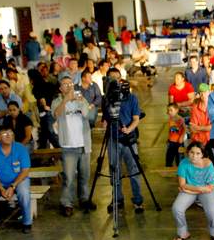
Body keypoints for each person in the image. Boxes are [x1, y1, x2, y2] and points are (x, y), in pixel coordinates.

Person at [52, 76, 94, 217]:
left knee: (84, 176)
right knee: (69, 177)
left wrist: (81, 102)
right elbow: (56, 114)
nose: (69, 86)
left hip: (84, 144)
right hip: (68, 145)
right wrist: (66, 99)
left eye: (70, 83)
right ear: (60, 88)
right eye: (65, 84)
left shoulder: (81, 98)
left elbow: (88, 115)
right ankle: (67, 203)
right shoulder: (57, 101)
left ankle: (84, 199)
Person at [0, 125, 32, 237]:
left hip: (19, 180)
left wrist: (13, 186)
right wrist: (1, 188)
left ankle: (27, 223)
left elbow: (25, 171)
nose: (8, 135)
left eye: (10, 132)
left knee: (24, 192)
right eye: (4, 133)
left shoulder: (20, 148)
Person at [104, 79, 145, 213]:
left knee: (134, 170)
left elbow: (136, 118)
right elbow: (105, 119)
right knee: (114, 171)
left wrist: (129, 129)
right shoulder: (109, 98)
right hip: (113, 139)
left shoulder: (132, 98)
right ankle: (117, 199)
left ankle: (138, 201)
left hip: (129, 140)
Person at [172, 142, 214, 240]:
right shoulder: (183, 163)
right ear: (188, 153)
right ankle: (183, 233)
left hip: (201, 191)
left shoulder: (208, 164)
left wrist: (190, 189)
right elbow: (182, 184)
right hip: (193, 190)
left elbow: (211, 188)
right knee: (177, 208)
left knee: (212, 212)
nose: (194, 156)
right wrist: (198, 188)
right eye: (192, 152)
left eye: (198, 153)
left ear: (202, 154)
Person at [190, 83, 211, 148]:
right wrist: (206, 128)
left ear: (209, 92)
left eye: (204, 92)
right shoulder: (195, 107)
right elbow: (193, 128)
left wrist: (199, 128)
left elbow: (213, 127)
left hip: (211, 140)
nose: (202, 94)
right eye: (201, 92)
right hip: (198, 140)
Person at [165, 103, 185, 167]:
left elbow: (184, 129)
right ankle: (168, 168)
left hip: (178, 142)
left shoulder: (180, 119)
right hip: (171, 141)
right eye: (168, 110)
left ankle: (180, 171)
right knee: (169, 157)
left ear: (176, 110)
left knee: (179, 158)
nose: (169, 112)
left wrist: (181, 137)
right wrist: (168, 138)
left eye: (171, 110)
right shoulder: (170, 119)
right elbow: (170, 130)